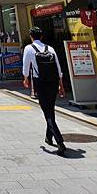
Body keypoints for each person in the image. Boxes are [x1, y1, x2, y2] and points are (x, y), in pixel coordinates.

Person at [22, 26, 66, 156]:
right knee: (50, 109)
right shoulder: (50, 48)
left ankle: (60, 142)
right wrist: (61, 85)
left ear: (31, 36)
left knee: (47, 113)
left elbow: (26, 67)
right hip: (53, 83)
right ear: (41, 36)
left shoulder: (29, 49)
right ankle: (48, 137)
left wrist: (25, 79)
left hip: (40, 83)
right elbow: (58, 68)